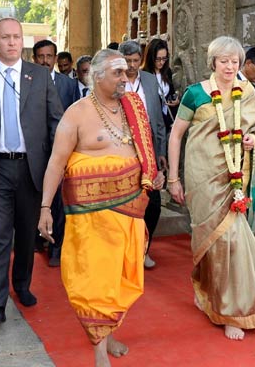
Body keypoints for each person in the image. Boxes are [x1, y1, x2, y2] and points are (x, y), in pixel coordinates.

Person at [37, 49, 164, 367]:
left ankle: (109, 336)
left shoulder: (132, 107)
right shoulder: (76, 114)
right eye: (118, 73)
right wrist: (44, 208)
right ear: (96, 76)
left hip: (130, 210)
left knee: (120, 278)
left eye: (126, 72)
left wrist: (153, 174)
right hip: (91, 216)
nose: (126, 78)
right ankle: (97, 348)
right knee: (95, 280)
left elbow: (144, 150)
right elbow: (56, 162)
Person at [167, 36, 255, 341]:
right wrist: (173, 178)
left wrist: (251, 140)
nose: (230, 67)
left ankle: (233, 310)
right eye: (224, 61)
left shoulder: (246, 91)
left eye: (234, 62)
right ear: (213, 63)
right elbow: (176, 135)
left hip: (233, 176)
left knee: (232, 241)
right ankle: (207, 291)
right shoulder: (195, 94)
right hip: (201, 176)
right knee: (206, 241)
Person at [0, 18, 63, 324]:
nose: (11, 42)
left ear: (23, 41)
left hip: (32, 169)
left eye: (16, 37)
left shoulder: (40, 76)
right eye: (5, 37)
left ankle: (22, 285)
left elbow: (56, 120)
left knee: (26, 237)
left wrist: (60, 159)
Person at [119, 40, 166, 269]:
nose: (131, 66)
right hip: (122, 148)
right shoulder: (114, 80)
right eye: (127, 61)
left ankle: (144, 248)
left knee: (154, 203)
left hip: (148, 148)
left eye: (135, 61)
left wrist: (161, 151)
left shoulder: (148, 79)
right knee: (126, 202)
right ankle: (125, 252)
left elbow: (157, 117)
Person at [32, 39, 80, 266]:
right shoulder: (26, 81)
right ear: (34, 58)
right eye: (40, 56)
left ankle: (56, 247)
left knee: (59, 202)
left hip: (61, 152)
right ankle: (35, 239)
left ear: (55, 57)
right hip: (33, 152)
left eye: (49, 56)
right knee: (35, 196)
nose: (45, 61)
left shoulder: (68, 85)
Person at [142, 38, 179, 134]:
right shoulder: (144, 75)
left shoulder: (167, 72)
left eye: (164, 58)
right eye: (158, 59)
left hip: (167, 122)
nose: (161, 62)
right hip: (152, 124)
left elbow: (171, 92)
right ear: (151, 57)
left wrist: (175, 101)